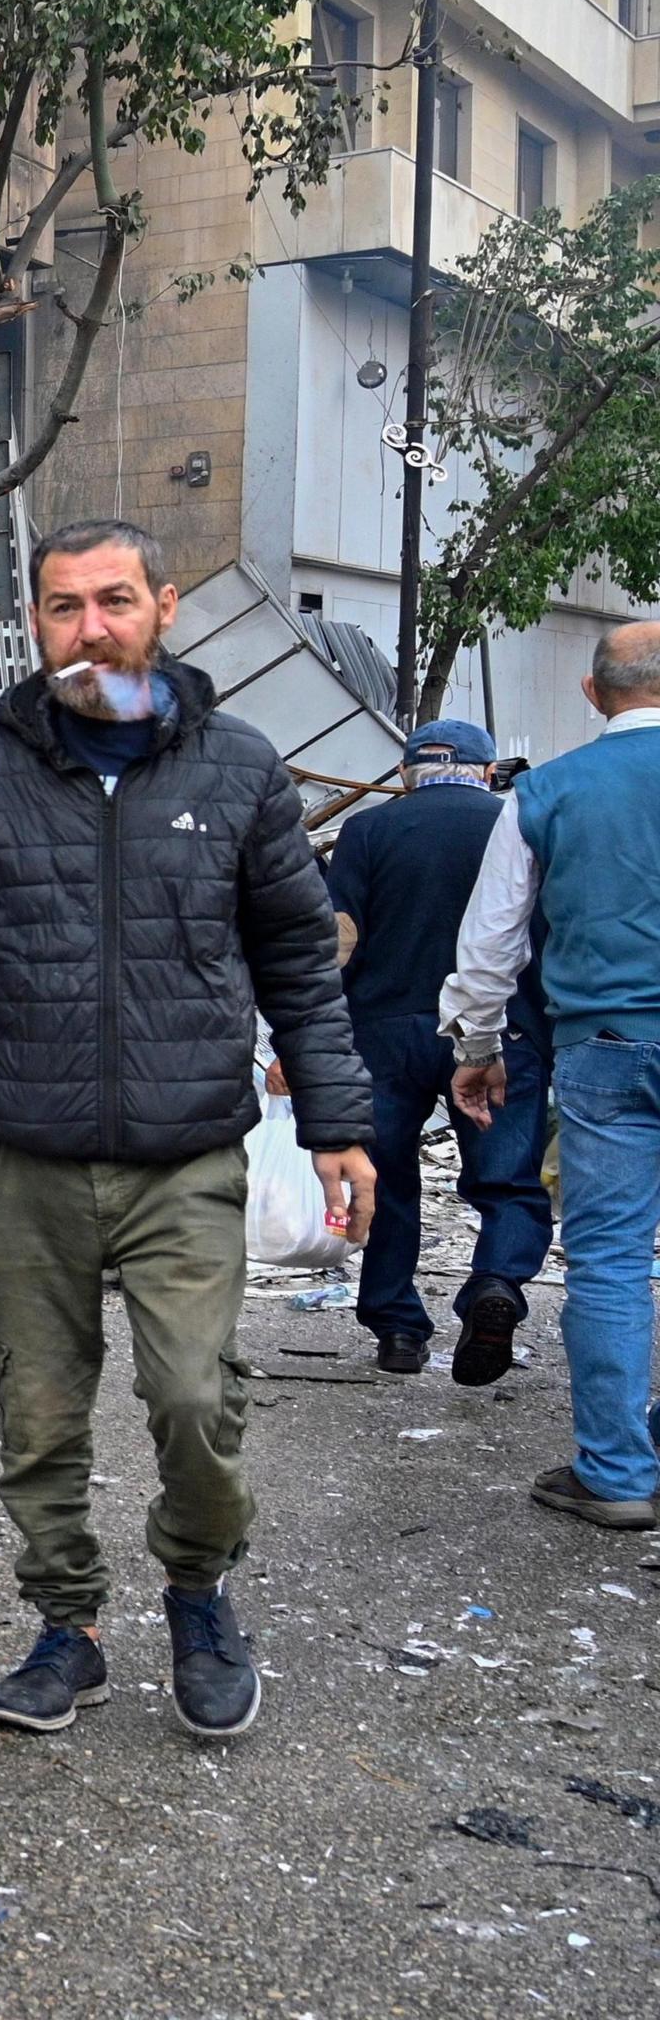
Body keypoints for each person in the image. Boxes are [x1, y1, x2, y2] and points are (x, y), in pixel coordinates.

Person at [0, 519, 374, 1741]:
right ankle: (67, 1625)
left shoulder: (240, 769)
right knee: (37, 1411)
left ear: (165, 606)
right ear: (36, 624)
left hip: (185, 1152)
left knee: (194, 1398)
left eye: (112, 602)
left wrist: (337, 1122)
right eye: (61, 608)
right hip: (24, 1154)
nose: (88, 628)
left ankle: (199, 1594)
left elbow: (300, 958)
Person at [443, 621, 660, 1532]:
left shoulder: (546, 793)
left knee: (609, 1256)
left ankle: (615, 1473)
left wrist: (478, 1049)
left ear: (591, 692)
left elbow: (491, 943)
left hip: (603, 1040)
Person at [325, 720, 552, 1379]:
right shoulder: (517, 824)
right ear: (488, 772)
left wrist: (315, 1033)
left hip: (385, 1030)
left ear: (404, 775)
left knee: (388, 1176)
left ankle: (397, 1329)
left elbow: (339, 941)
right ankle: (497, 1285)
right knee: (506, 1178)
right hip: (498, 1030)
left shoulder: (369, 830)